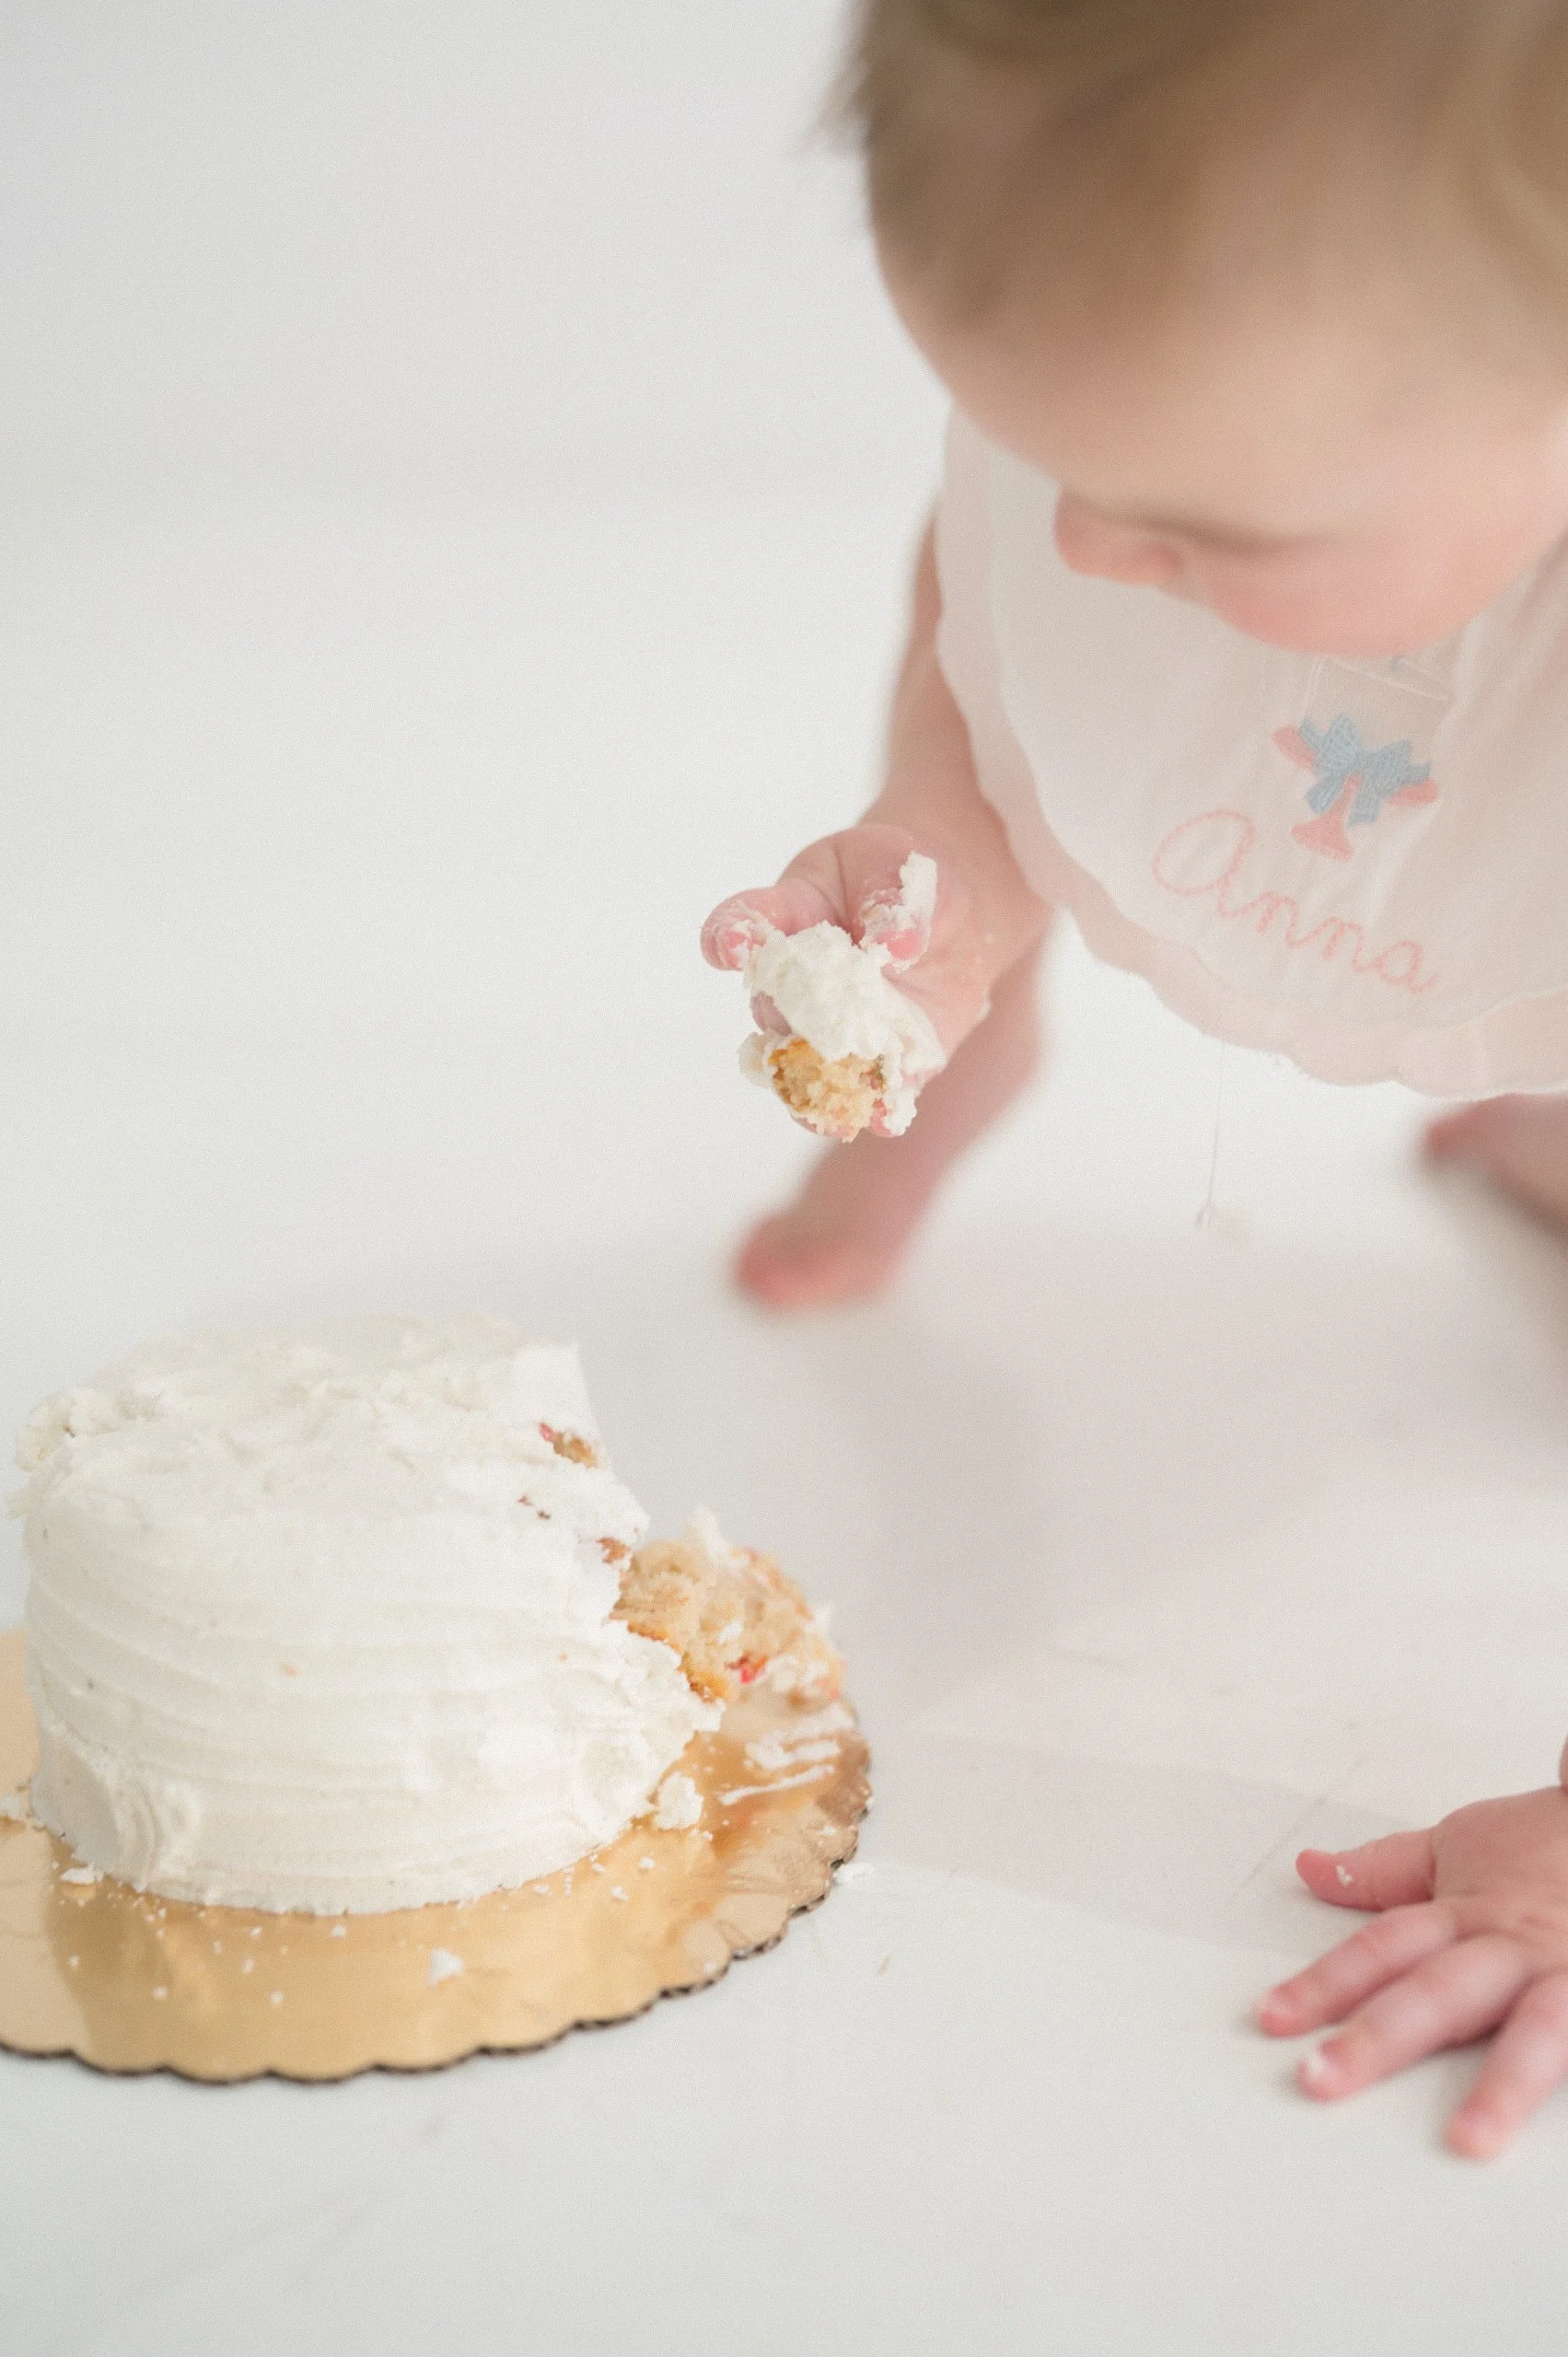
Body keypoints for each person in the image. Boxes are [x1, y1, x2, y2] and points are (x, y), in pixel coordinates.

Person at [701, 0, 1568, 2158]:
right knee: (991, 732)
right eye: (1031, 445)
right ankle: (927, 1071)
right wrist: (945, 864)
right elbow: (982, 617)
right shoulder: (1185, 462)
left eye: (1189, 510)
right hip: (1355, 740)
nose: (1083, 548)